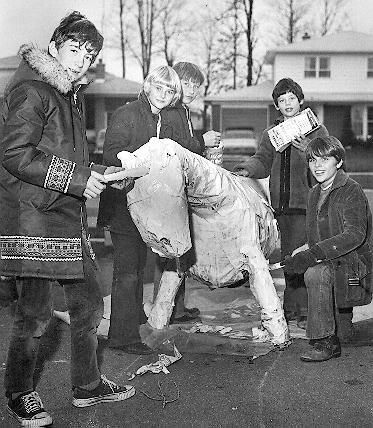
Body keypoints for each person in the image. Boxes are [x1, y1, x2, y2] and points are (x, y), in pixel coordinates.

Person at [0, 12, 135, 427]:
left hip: (64, 215)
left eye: (89, 53)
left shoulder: (68, 93)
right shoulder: (33, 90)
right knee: (36, 315)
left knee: (89, 305)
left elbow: (62, 151)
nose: (81, 60)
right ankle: (20, 393)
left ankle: (87, 386)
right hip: (34, 219)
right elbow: (14, 154)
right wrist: (78, 179)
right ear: (56, 45)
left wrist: (94, 173)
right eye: (74, 49)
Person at [96, 65, 182, 355]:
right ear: (147, 86)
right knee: (127, 272)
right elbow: (110, 152)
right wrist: (125, 158)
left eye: (169, 90)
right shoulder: (127, 113)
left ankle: (131, 322)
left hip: (148, 206)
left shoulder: (165, 120)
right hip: (123, 203)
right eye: (159, 87)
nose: (164, 94)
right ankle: (121, 337)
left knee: (137, 268)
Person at [234, 78, 329, 329]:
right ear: (276, 105)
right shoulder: (270, 133)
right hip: (282, 206)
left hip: (308, 203)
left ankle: (308, 309)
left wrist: (311, 148)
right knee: (288, 256)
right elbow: (262, 161)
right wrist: (246, 170)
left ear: (301, 100)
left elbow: (330, 159)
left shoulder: (317, 131)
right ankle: (292, 308)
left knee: (305, 256)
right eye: (281, 100)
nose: (287, 104)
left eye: (291, 99)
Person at [281, 136, 373, 361]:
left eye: (325, 159)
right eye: (312, 160)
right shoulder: (314, 193)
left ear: (338, 162)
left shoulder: (351, 190)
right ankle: (339, 329)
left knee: (315, 272)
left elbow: (355, 235)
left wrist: (312, 255)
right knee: (347, 335)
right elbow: (317, 237)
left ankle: (325, 342)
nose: (317, 166)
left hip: (353, 265)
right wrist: (301, 251)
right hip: (332, 259)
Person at [154, 61, 221, 323]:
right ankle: (167, 309)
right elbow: (173, 148)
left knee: (179, 250)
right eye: (186, 83)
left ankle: (176, 307)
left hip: (179, 188)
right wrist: (201, 142)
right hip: (168, 190)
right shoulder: (170, 112)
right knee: (170, 251)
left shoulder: (183, 111)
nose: (191, 89)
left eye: (196, 85)